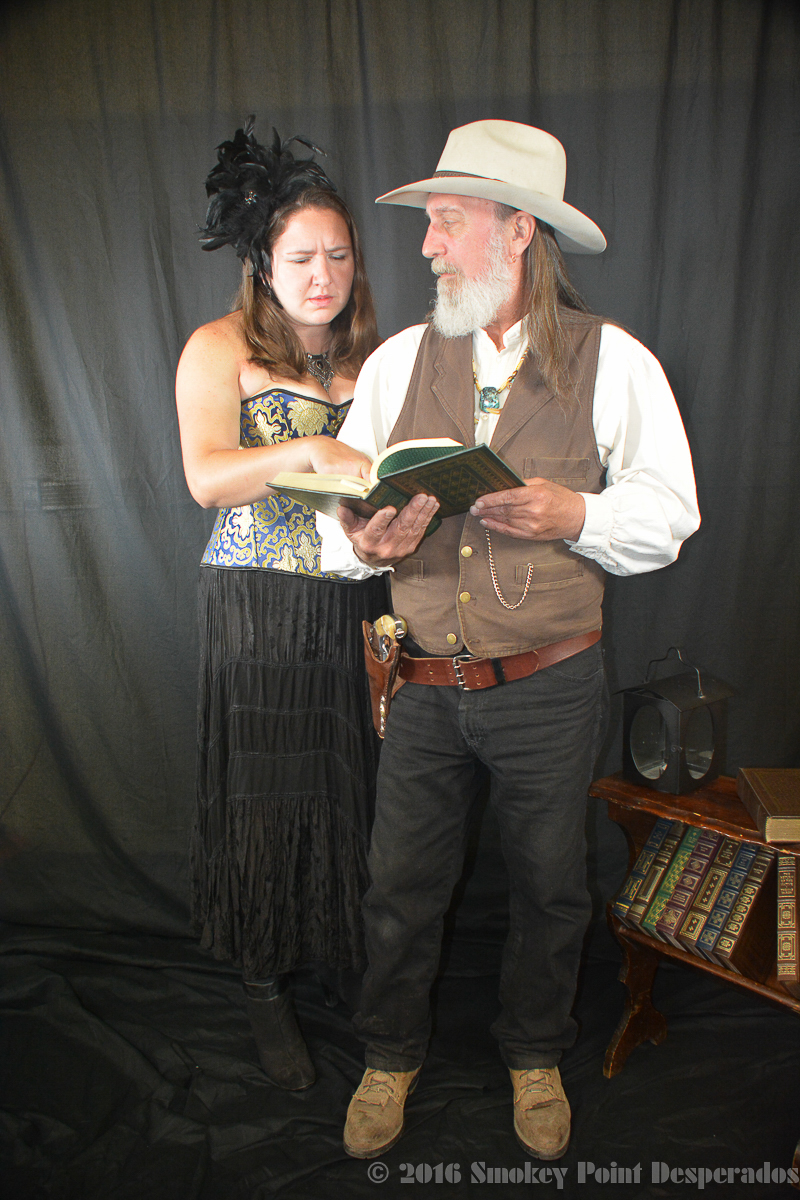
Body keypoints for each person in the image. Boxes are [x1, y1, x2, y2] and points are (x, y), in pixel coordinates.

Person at [318, 120, 700, 1158]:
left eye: (448, 221)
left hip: (549, 683)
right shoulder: (397, 362)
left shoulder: (611, 359)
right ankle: (388, 1055)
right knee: (398, 887)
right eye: (430, 224)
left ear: (519, 229)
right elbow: (338, 514)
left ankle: (535, 1055)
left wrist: (578, 515)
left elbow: (670, 512)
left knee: (549, 885)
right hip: (421, 682)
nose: (428, 244)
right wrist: (362, 538)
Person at [175, 118, 387, 1092]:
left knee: (350, 790)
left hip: (359, 600)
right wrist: (306, 449)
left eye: (337, 255)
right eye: (300, 257)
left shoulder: (376, 357)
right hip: (257, 602)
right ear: (263, 262)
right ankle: (264, 985)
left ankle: (343, 958)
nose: (321, 275)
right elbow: (206, 479)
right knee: (265, 799)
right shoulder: (219, 347)